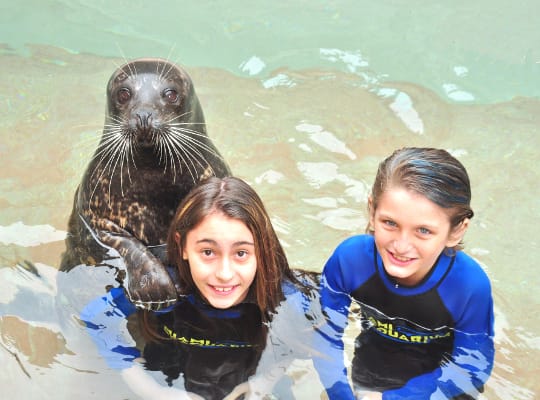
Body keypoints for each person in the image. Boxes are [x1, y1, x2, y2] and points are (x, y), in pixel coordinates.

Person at [81, 176, 316, 400]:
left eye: (241, 253)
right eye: (208, 252)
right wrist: (149, 389)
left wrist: (266, 381)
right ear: (181, 246)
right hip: (169, 376)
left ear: (261, 250)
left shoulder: (287, 297)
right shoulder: (163, 288)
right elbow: (97, 317)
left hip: (250, 377)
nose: (224, 274)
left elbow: (300, 336)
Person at [314, 147, 495, 399]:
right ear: (372, 210)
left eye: (423, 230)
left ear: (456, 231)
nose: (401, 246)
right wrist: (339, 392)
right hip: (374, 357)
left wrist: (398, 397)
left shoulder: (468, 285)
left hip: (444, 378)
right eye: (390, 223)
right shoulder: (350, 261)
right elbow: (325, 334)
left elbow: (472, 366)